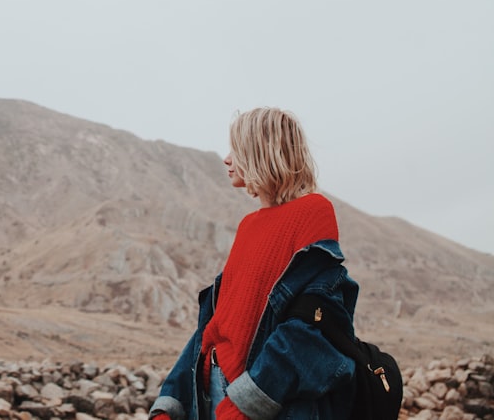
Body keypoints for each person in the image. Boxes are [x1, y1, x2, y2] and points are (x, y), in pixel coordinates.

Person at [149, 107, 359, 420]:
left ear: (262, 151)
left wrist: (247, 404)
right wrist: (170, 401)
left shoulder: (314, 211)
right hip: (210, 390)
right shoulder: (249, 225)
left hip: (262, 398)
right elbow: (214, 324)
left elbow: (311, 326)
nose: (227, 159)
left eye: (237, 149)